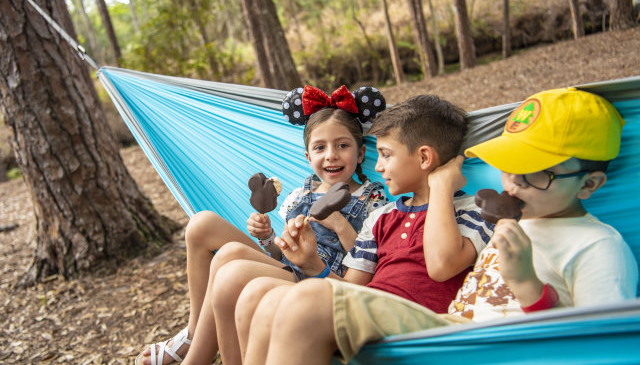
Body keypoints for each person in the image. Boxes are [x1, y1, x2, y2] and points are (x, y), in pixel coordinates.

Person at [242, 87, 639, 365]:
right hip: (447, 329)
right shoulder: (506, 219)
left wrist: (529, 287)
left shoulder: (597, 246)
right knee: (275, 299)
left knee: (308, 301)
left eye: (537, 175)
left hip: (475, 348)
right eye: (509, 164)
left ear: (589, 184)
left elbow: (600, 347)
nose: (514, 183)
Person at [232, 94, 495, 364]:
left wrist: (440, 188)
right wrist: (312, 264)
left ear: (425, 157)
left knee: (305, 296)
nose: (378, 166)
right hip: (367, 314)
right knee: (265, 296)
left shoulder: (474, 212)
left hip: (424, 330)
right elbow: (349, 288)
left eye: (386, 155)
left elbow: (442, 265)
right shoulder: (381, 218)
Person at [135, 85, 388, 365]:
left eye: (342, 145)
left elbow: (370, 262)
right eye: (320, 147)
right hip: (288, 268)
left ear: (361, 153)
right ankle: (195, 337)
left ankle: (197, 358)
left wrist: (341, 225)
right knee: (204, 226)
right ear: (308, 157)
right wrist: (268, 237)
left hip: (323, 280)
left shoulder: (371, 199)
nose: (331, 155)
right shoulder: (300, 196)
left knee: (231, 267)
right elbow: (280, 255)